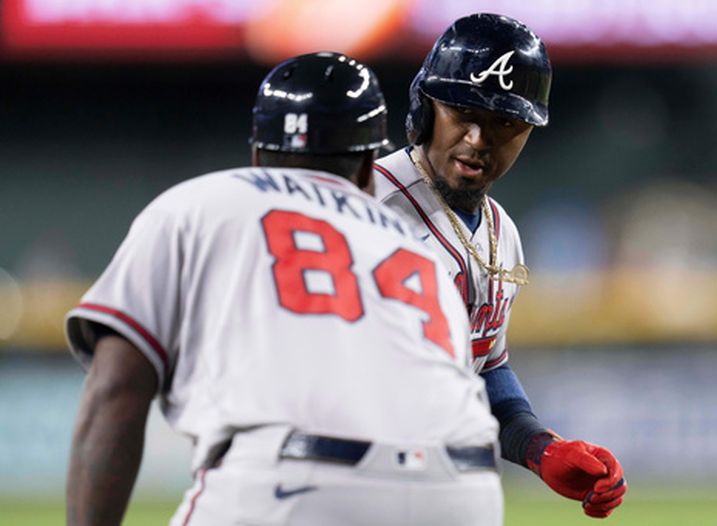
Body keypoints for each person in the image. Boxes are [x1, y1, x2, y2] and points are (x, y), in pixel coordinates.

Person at [65, 52, 503, 526]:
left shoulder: (198, 204)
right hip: (467, 486)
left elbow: (116, 388)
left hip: (296, 481)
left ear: (257, 156)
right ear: (366, 168)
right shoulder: (420, 255)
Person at [374, 13, 627, 518]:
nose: (477, 138)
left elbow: (486, 366)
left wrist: (540, 449)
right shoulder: (367, 207)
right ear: (425, 108)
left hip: (436, 491)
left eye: (504, 123)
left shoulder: (500, 232)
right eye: (461, 112)